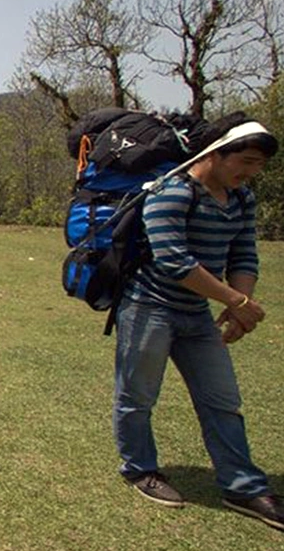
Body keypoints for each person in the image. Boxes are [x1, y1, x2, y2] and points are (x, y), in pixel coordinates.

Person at [112, 113, 283, 530]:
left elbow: (244, 253)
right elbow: (174, 261)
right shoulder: (172, 191)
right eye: (245, 161)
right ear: (216, 154)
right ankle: (140, 469)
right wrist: (235, 299)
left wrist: (241, 304)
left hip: (197, 315)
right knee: (137, 396)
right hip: (148, 308)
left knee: (222, 400)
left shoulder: (241, 199)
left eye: (259, 165)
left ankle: (243, 486)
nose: (251, 172)